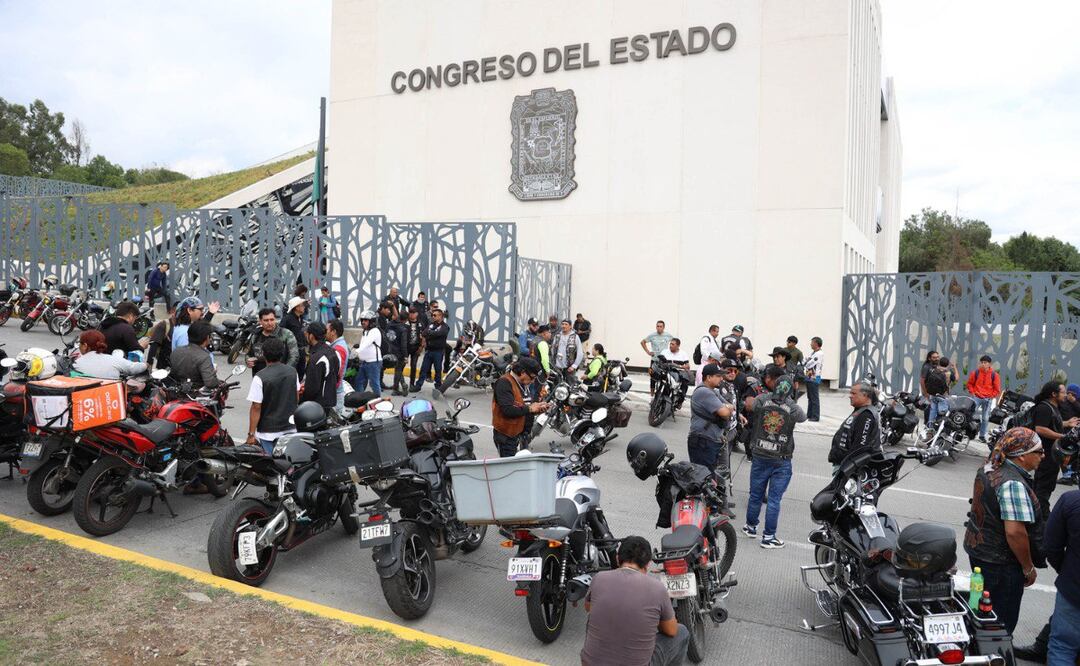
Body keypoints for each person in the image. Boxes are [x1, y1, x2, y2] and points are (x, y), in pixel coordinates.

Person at [963, 427, 1047, 634]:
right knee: (999, 624)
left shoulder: (990, 466)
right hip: (1000, 564)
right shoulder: (1013, 483)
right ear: (1020, 456)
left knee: (980, 611)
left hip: (981, 552)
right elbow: (1015, 533)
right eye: (1038, 451)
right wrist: (1028, 567)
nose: (1043, 456)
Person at [580, 535, 690, 666]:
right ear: (648, 564)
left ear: (617, 559)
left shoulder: (599, 578)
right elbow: (671, 630)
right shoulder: (657, 588)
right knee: (682, 632)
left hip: (589, 663)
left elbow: (588, 607)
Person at [743, 368, 805, 548]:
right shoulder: (792, 406)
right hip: (781, 457)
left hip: (760, 454)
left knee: (755, 494)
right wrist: (789, 401)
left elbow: (749, 405)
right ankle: (768, 537)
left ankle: (750, 527)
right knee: (774, 499)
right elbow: (803, 417)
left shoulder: (763, 399)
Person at [1031, 382, 1080, 516]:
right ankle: (1042, 518)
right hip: (1044, 455)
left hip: (1052, 455)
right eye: (1063, 392)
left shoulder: (1054, 407)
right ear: (1054, 394)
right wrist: (1062, 436)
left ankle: (1038, 515)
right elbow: (1040, 429)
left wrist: (1067, 423)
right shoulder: (1044, 408)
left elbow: (1052, 423)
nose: (1065, 395)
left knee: (1045, 486)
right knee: (1043, 488)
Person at [244, 337, 298, 455]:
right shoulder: (292, 372)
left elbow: (256, 407)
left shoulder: (260, 377)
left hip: (268, 432)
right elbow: (296, 397)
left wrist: (251, 435)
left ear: (263, 354)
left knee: (271, 467)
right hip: (291, 428)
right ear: (282, 353)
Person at [1044, 487, 1080, 665]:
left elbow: (1051, 546)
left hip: (1074, 587)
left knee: (1063, 646)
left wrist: (1065, 571)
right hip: (1072, 585)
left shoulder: (1071, 500)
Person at [491, 358, 548, 457]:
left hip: (521, 435)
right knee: (510, 468)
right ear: (522, 372)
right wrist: (530, 408)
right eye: (532, 377)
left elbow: (523, 407)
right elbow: (507, 410)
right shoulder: (504, 383)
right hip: (507, 437)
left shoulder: (523, 384)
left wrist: (537, 409)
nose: (533, 381)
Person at [689, 364, 736, 471]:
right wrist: (726, 408)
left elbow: (731, 407)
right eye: (718, 376)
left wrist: (727, 407)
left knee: (715, 476)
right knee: (703, 476)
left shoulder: (713, 391)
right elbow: (725, 412)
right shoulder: (704, 392)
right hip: (702, 441)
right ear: (709, 377)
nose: (721, 378)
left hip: (710, 440)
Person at [829, 382, 882, 471]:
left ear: (865, 396)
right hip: (845, 465)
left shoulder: (866, 415)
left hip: (849, 468)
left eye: (853, 393)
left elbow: (860, 447)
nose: (850, 396)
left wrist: (848, 471)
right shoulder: (861, 411)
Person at [72, 330, 147, 379]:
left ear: (85, 345)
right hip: (110, 399)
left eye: (80, 343)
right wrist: (146, 365)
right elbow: (134, 368)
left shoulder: (76, 363)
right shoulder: (113, 360)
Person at [247, 307, 299, 376]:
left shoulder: (286, 334)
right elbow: (249, 354)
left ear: (275, 320)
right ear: (260, 321)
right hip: (259, 377)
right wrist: (248, 361)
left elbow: (294, 356)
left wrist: (284, 372)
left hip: (280, 377)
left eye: (272, 320)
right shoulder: (256, 336)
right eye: (266, 320)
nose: (269, 323)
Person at [169, 321, 221, 390]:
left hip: (176, 391)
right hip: (195, 395)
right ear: (207, 337)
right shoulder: (204, 357)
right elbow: (210, 383)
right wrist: (217, 381)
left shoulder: (176, 351)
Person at [301, 322, 339, 409]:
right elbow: (337, 376)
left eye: (307, 333)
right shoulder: (332, 351)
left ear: (311, 336)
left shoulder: (316, 358)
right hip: (330, 401)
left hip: (318, 405)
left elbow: (311, 389)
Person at [410, 308, 448, 393]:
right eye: (432, 315)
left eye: (435, 315)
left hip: (438, 352)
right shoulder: (431, 325)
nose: (433, 317)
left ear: (440, 316)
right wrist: (430, 333)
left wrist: (430, 333)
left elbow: (440, 333)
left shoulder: (445, 327)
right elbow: (424, 333)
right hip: (429, 351)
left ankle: (438, 387)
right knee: (424, 369)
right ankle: (418, 385)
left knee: (438, 370)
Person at [967, 355, 1003, 443]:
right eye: (982, 362)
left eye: (985, 363)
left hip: (988, 399)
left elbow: (997, 389)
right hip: (977, 397)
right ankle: (968, 432)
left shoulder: (994, 375)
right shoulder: (976, 372)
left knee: (985, 418)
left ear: (989, 364)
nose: (983, 364)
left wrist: (991, 397)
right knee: (969, 414)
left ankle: (982, 436)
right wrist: (973, 392)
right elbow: (969, 384)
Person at [353, 309, 384, 395]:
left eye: (365, 320)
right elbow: (362, 345)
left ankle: (378, 402)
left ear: (372, 321)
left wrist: (357, 351)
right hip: (364, 362)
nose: (363, 322)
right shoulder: (365, 331)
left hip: (373, 362)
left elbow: (366, 344)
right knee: (358, 381)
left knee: (374, 384)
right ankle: (360, 400)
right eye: (362, 320)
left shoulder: (374, 331)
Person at [641, 321, 675, 395]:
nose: (659, 328)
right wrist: (648, 352)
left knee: (665, 377)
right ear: (656, 327)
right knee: (652, 377)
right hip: (654, 360)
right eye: (658, 326)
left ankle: (663, 394)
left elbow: (674, 343)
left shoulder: (668, 335)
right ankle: (652, 395)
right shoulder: (652, 335)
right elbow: (643, 342)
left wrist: (672, 352)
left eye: (661, 326)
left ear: (663, 327)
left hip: (664, 361)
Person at [326, 319, 350, 413]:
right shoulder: (336, 346)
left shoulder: (339, 348)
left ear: (333, 332)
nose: (325, 332)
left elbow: (338, 374)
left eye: (327, 329)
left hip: (335, 395)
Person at [282, 296, 308, 376]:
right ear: (296, 307)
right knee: (291, 375)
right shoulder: (287, 319)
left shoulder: (300, 318)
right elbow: (280, 333)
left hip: (301, 351)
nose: (304, 307)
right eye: (302, 305)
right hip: (291, 352)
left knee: (301, 374)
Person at [146, 304, 176, 370]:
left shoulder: (186, 326)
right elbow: (154, 345)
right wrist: (149, 363)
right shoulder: (164, 325)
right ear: (172, 311)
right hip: (164, 366)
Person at [924, 356, 954, 425]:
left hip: (933, 394)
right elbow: (956, 379)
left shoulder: (934, 370)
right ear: (948, 364)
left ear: (939, 363)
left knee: (932, 411)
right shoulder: (949, 373)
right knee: (943, 412)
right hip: (943, 395)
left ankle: (930, 427)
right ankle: (939, 427)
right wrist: (954, 368)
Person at [389, 311, 409, 396]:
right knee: (398, 369)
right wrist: (406, 356)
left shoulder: (389, 324)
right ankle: (396, 389)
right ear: (405, 320)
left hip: (390, 350)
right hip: (399, 352)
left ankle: (401, 385)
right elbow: (403, 344)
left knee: (398, 369)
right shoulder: (403, 329)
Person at [804, 337, 824, 422]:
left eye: (812, 342)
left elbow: (809, 364)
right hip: (809, 377)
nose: (811, 344)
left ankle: (815, 416)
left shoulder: (819, 354)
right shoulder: (814, 352)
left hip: (815, 377)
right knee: (810, 397)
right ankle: (809, 414)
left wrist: (806, 362)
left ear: (816, 343)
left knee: (814, 397)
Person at [403, 307, 424, 388]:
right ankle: (399, 383)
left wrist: (421, 347)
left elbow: (423, 336)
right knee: (402, 365)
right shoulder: (405, 323)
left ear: (417, 314)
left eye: (413, 312)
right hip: (406, 348)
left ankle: (412, 384)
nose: (412, 314)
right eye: (410, 312)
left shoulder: (420, 323)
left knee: (414, 366)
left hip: (416, 348)